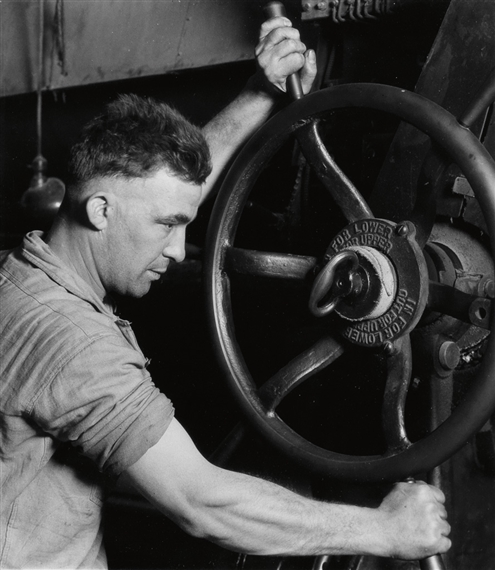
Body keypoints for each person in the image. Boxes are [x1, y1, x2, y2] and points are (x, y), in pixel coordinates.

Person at [0, 14, 450, 570]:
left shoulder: (22, 275)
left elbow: (158, 194)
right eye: (168, 226)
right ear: (99, 213)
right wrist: (385, 530)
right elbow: (202, 502)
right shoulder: (76, 350)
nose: (179, 249)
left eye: (183, 225)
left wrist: (258, 96)